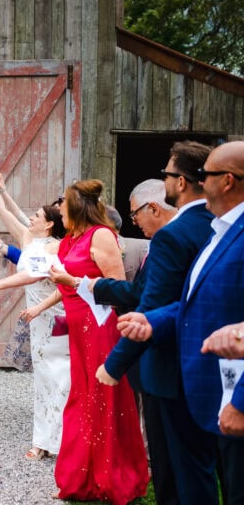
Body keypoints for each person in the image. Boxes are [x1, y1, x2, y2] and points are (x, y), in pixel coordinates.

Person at [119, 141, 244, 504]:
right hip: (212, 384)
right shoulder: (219, 231)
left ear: (227, 181)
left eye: (206, 176)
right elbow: (195, 305)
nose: (197, 183)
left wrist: (240, 400)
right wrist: (151, 321)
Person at [97, 143, 217, 505]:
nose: (164, 177)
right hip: (208, 360)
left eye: (167, 172)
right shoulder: (215, 224)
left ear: (180, 182)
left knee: (174, 473)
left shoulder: (174, 234)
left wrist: (115, 364)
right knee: (203, 468)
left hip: (168, 364)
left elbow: (152, 304)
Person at [23, 179, 148, 504]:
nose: (58, 211)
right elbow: (48, 274)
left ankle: (111, 479)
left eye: (62, 206)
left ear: (76, 207)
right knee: (79, 402)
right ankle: (77, 479)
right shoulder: (68, 241)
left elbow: (118, 288)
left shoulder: (101, 236)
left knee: (104, 402)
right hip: (77, 332)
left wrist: (76, 281)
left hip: (102, 329)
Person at [0, 157, 69, 461]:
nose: (31, 217)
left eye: (37, 215)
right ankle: (42, 441)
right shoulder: (29, 238)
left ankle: (64, 443)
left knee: (62, 379)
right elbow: (3, 209)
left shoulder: (56, 247)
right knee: (42, 381)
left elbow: (35, 276)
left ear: (49, 223)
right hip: (35, 319)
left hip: (55, 317)